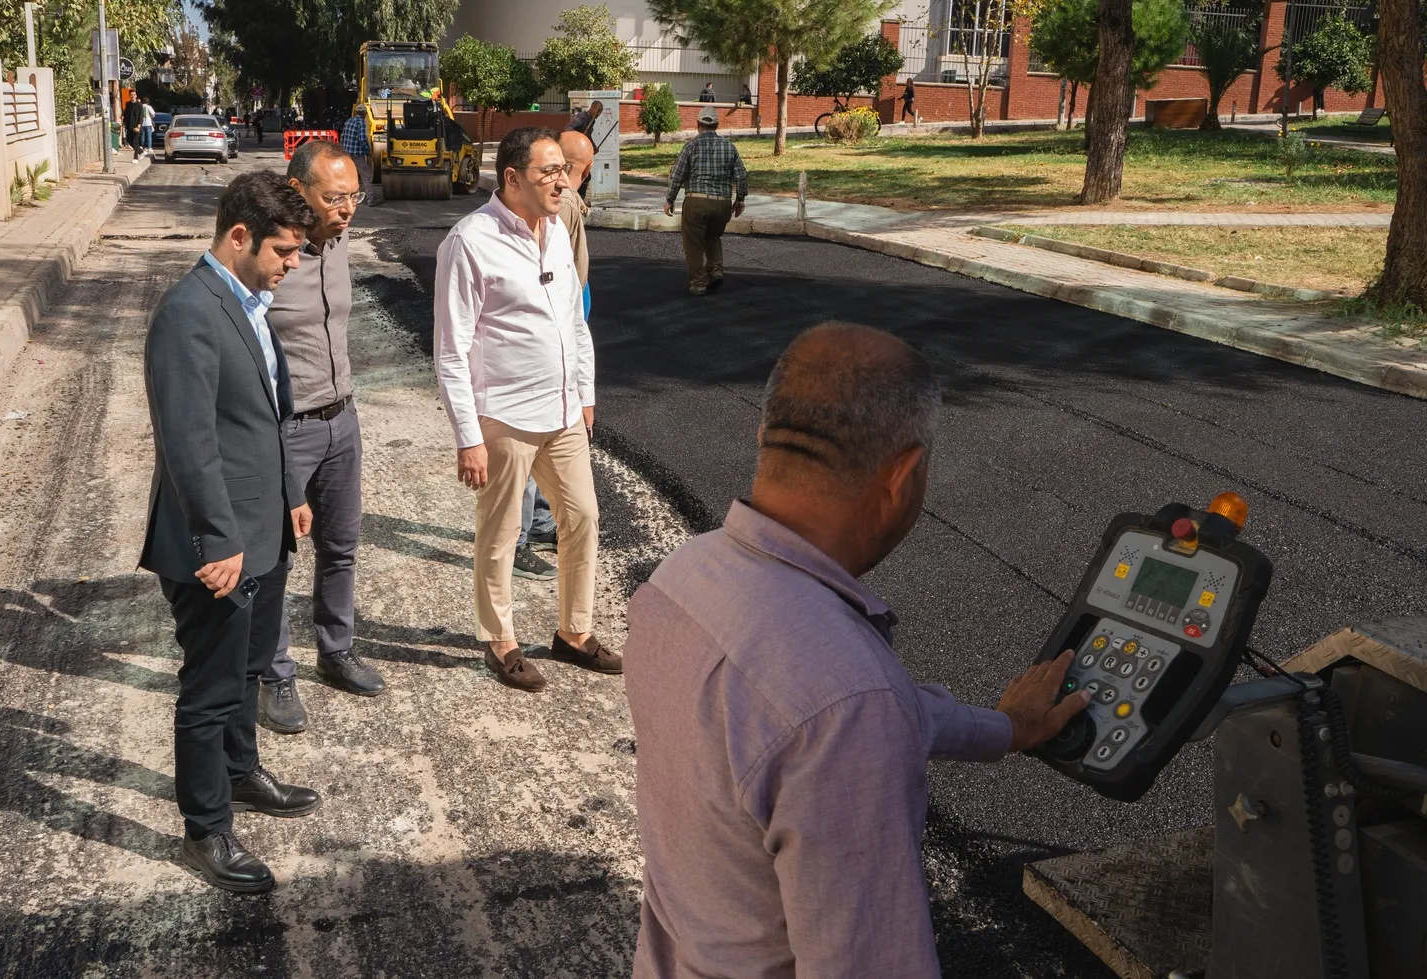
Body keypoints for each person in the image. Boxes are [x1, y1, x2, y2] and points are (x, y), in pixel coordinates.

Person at [624, 322, 1089, 976]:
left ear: (766, 439)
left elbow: (811, 721)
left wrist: (1007, 727)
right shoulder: (844, 701)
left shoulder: (679, 580)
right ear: (903, 474)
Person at [140, 171, 324, 894]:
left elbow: (264, 416)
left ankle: (242, 774)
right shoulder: (190, 310)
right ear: (239, 236)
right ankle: (206, 829)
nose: (293, 265)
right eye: (284, 250)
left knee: (249, 670)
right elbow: (188, 441)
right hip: (215, 544)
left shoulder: (250, 300)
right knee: (211, 688)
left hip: (264, 527)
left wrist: (288, 496)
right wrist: (218, 539)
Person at [433, 126, 617, 693]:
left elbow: (573, 322)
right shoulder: (468, 242)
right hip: (505, 417)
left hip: (562, 413)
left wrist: (584, 393)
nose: (563, 180)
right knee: (502, 531)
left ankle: (574, 632)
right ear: (512, 178)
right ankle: (500, 640)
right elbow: (451, 347)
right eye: (549, 171)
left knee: (581, 517)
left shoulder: (559, 230)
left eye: (564, 169)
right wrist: (468, 436)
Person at [253, 141, 386, 734]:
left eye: (353, 195)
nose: (347, 208)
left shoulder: (339, 242)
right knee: (275, 558)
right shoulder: (271, 256)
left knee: (341, 547)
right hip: (288, 427)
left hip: (342, 418)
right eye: (333, 197)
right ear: (297, 190)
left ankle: (336, 651)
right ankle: (274, 673)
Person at [509, 128, 599, 582]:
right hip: (545, 340)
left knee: (551, 437)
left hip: (565, 333)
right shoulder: (560, 207)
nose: (563, 181)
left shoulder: (563, 205)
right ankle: (519, 540)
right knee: (532, 441)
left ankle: (541, 524)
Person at [663, 105, 747, 296]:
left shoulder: (691, 146)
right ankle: (716, 271)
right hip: (722, 204)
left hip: (697, 202)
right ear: (717, 124)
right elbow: (742, 175)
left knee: (693, 243)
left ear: (698, 124)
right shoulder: (729, 147)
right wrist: (739, 200)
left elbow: (677, 175)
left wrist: (670, 199)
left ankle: (698, 283)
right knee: (713, 236)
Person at [338, 109, 381, 206]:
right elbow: (362, 139)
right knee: (367, 175)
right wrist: (368, 151)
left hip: (347, 153)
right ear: (365, 114)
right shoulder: (361, 123)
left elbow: (343, 137)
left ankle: (344, 198)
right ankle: (371, 199)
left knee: (348, 176)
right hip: (356, 154)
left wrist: (343, 151)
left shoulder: (349, 121)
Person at [123, 95, 145, 160]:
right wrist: (124, 122)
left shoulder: (139, 105)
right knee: (129, 140)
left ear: (136, 96)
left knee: (135, 142)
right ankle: (141, 151)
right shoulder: (128, 104)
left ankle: (135, 158)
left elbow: (141, 116)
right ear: (130, 96)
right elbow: (126, 114)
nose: (133, 96)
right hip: (129, 126)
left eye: (134, 95)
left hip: (137, 126)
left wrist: (139, 126)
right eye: (131, 95)